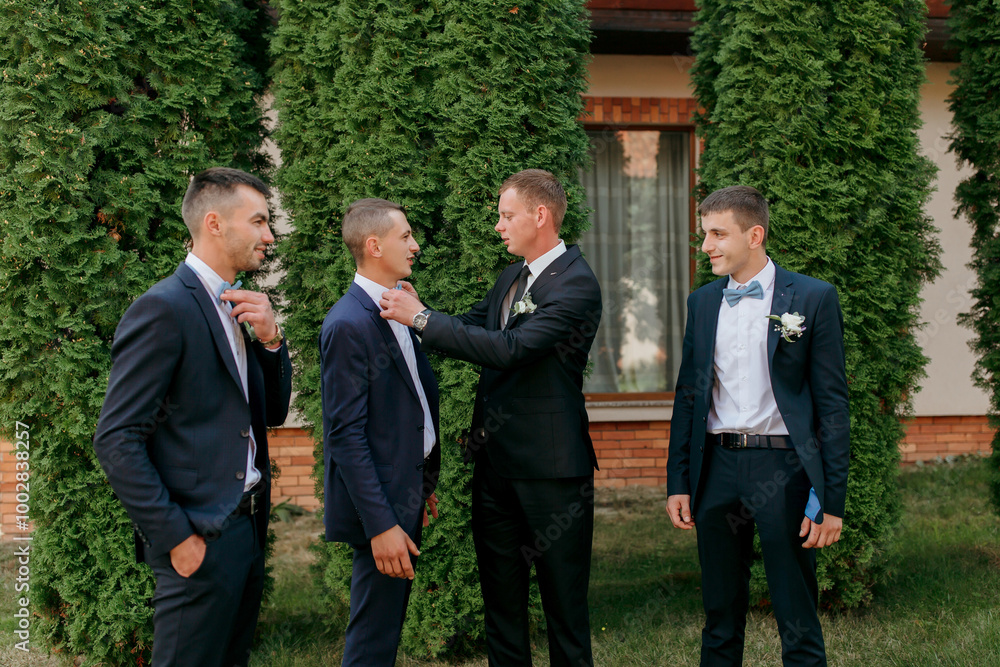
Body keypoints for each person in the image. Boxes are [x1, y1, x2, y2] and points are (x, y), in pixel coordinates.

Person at [380, 169, 602, 667]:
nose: (498, 226)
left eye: (506, 215)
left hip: (552, 473)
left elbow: (511, 348)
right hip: (495, 469)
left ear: (539, 215)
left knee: (565, 611)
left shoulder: (577, 283)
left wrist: (420, 318)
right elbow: (473, 326)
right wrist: (419, 312)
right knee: (501, 609)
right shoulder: (512, 276)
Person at [93, 167, 292, 666]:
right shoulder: (164, 308)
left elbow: (271, 413)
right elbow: (116, 438)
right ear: (214, 223)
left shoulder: (237, 305)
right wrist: (177, 538)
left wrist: (271, 340)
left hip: (247, 531)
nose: (269, 235)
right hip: (199, 538)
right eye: (259, 221)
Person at [665, 185, 850, 666]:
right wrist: (678, 480)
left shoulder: (813, 297)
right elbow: (688, 397)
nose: (706, 245)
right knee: (719, 613)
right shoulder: (703, 302)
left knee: (796, 612)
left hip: (784, 468)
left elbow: (832, 406)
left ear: (755, 235)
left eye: (717, 234)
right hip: (716, 467)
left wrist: (830, 500)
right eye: (704, 234)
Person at [320, 198, 441, 667]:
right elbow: (345, 436)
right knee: (372, 639)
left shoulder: (396, 306)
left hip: (403, 491)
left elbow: (405, 404)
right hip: (381, 510)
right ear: (374, 246)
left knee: (384, 631)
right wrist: (382, 525)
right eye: (405, 236)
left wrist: (420, 478)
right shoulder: (348, 323)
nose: (415, 245)